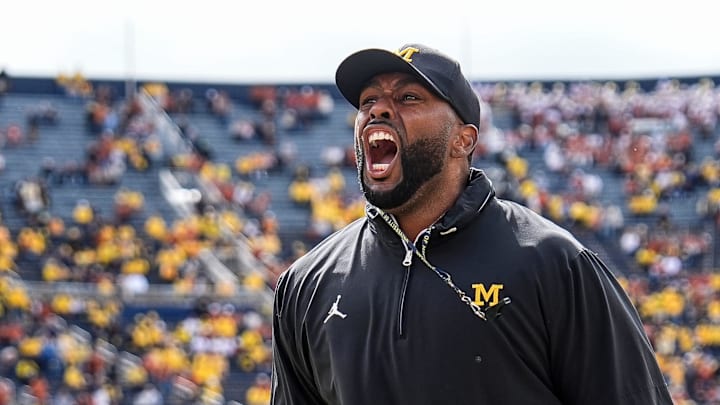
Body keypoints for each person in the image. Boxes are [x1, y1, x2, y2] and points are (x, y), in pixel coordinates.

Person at [271, 43, 672, 404]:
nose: (378, 109)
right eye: (368, 101)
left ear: (463, 140)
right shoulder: (306, 285)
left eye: (408, 97)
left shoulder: (554, 263)